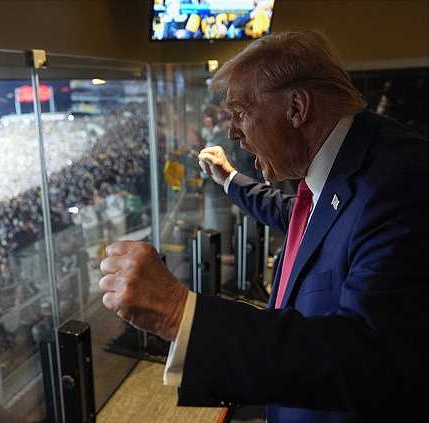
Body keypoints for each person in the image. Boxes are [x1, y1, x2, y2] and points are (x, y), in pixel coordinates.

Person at [99, 29, 428, 422]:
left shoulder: (401, 184)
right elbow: (302, 218)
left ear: (296, 107)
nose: (233, 131)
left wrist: (178, 312)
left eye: (240, 112)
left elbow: (370, 358)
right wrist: (229, 179)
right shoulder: (351, 162)